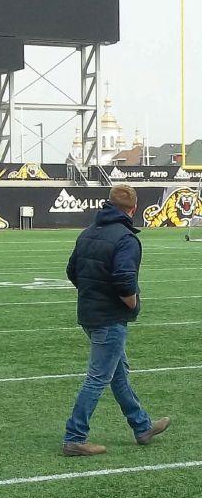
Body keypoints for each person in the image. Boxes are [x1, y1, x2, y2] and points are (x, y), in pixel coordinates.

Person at [62, 184, 170, 456]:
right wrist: (132, 303)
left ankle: (142, 426)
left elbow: (72, 271)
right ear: (134, 208)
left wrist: (93, 293)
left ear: (108, 203)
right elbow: (124, 279)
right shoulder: (125, 238)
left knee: (118, 375)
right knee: (98, 377)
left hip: (90, 313)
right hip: (109, 317)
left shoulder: (88, 232)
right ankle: (74, 436)